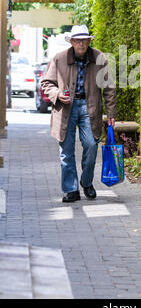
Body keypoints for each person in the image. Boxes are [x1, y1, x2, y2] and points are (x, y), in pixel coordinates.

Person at [41, 25, 117, 202]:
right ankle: (71, 189)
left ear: (89, 41)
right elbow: (46, 83)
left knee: (91, 145)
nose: (81, 43)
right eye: (78, 40)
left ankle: (87, 182)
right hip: (65, 108)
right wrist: (57, 94)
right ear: (72, 42)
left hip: (89, 107)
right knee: (66, 151)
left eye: (84, 40)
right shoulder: (59, 58)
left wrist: (111, 112)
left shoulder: (99, 58)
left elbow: (109, 87)